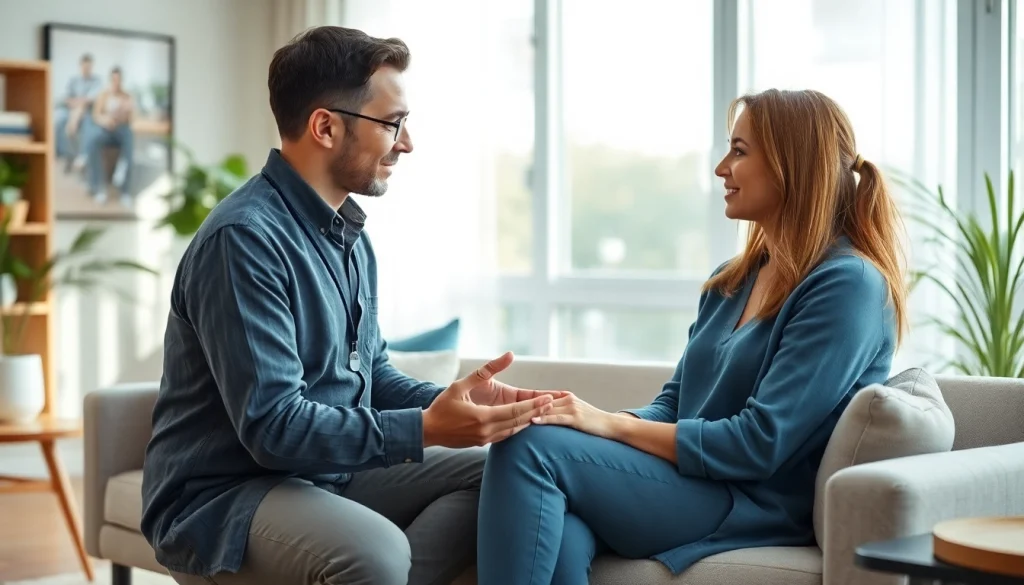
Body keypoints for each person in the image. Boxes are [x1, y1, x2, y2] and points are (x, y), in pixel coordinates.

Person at [140, 26, 558, 585]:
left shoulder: (349, 238)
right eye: (393, 123)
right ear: (325, 126)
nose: (406, 143)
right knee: (375, 555)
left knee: (501, 475)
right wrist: (425, 428)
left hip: (325, 473)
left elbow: (370, 372)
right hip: (224, 493)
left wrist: (457, 405)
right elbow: (273, 429)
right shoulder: (243, 239)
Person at [475, 88, 909, 584]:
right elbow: (673, 404)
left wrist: (609, 426)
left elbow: (759, 444)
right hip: (689, 483)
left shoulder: (847, 285)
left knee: (528, 450)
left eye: (739, 151)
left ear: (794, 164)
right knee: (550, 482)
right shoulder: (732, 281)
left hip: (749, 501)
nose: (722, 168)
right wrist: (582, 420)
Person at [83, 67, 135, 205]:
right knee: (92, 142)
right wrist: (106, 120)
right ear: (111, 79)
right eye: (114, 79)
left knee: (129, 141)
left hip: (122, 130)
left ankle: (125, 191)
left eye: (118, 80)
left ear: (121, 80)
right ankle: (98, 187)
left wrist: (125, 110)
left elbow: (131, 119)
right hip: (106, 130)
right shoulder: (103, 95)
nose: (116, 82)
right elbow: (96, 115)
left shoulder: (127, 96)